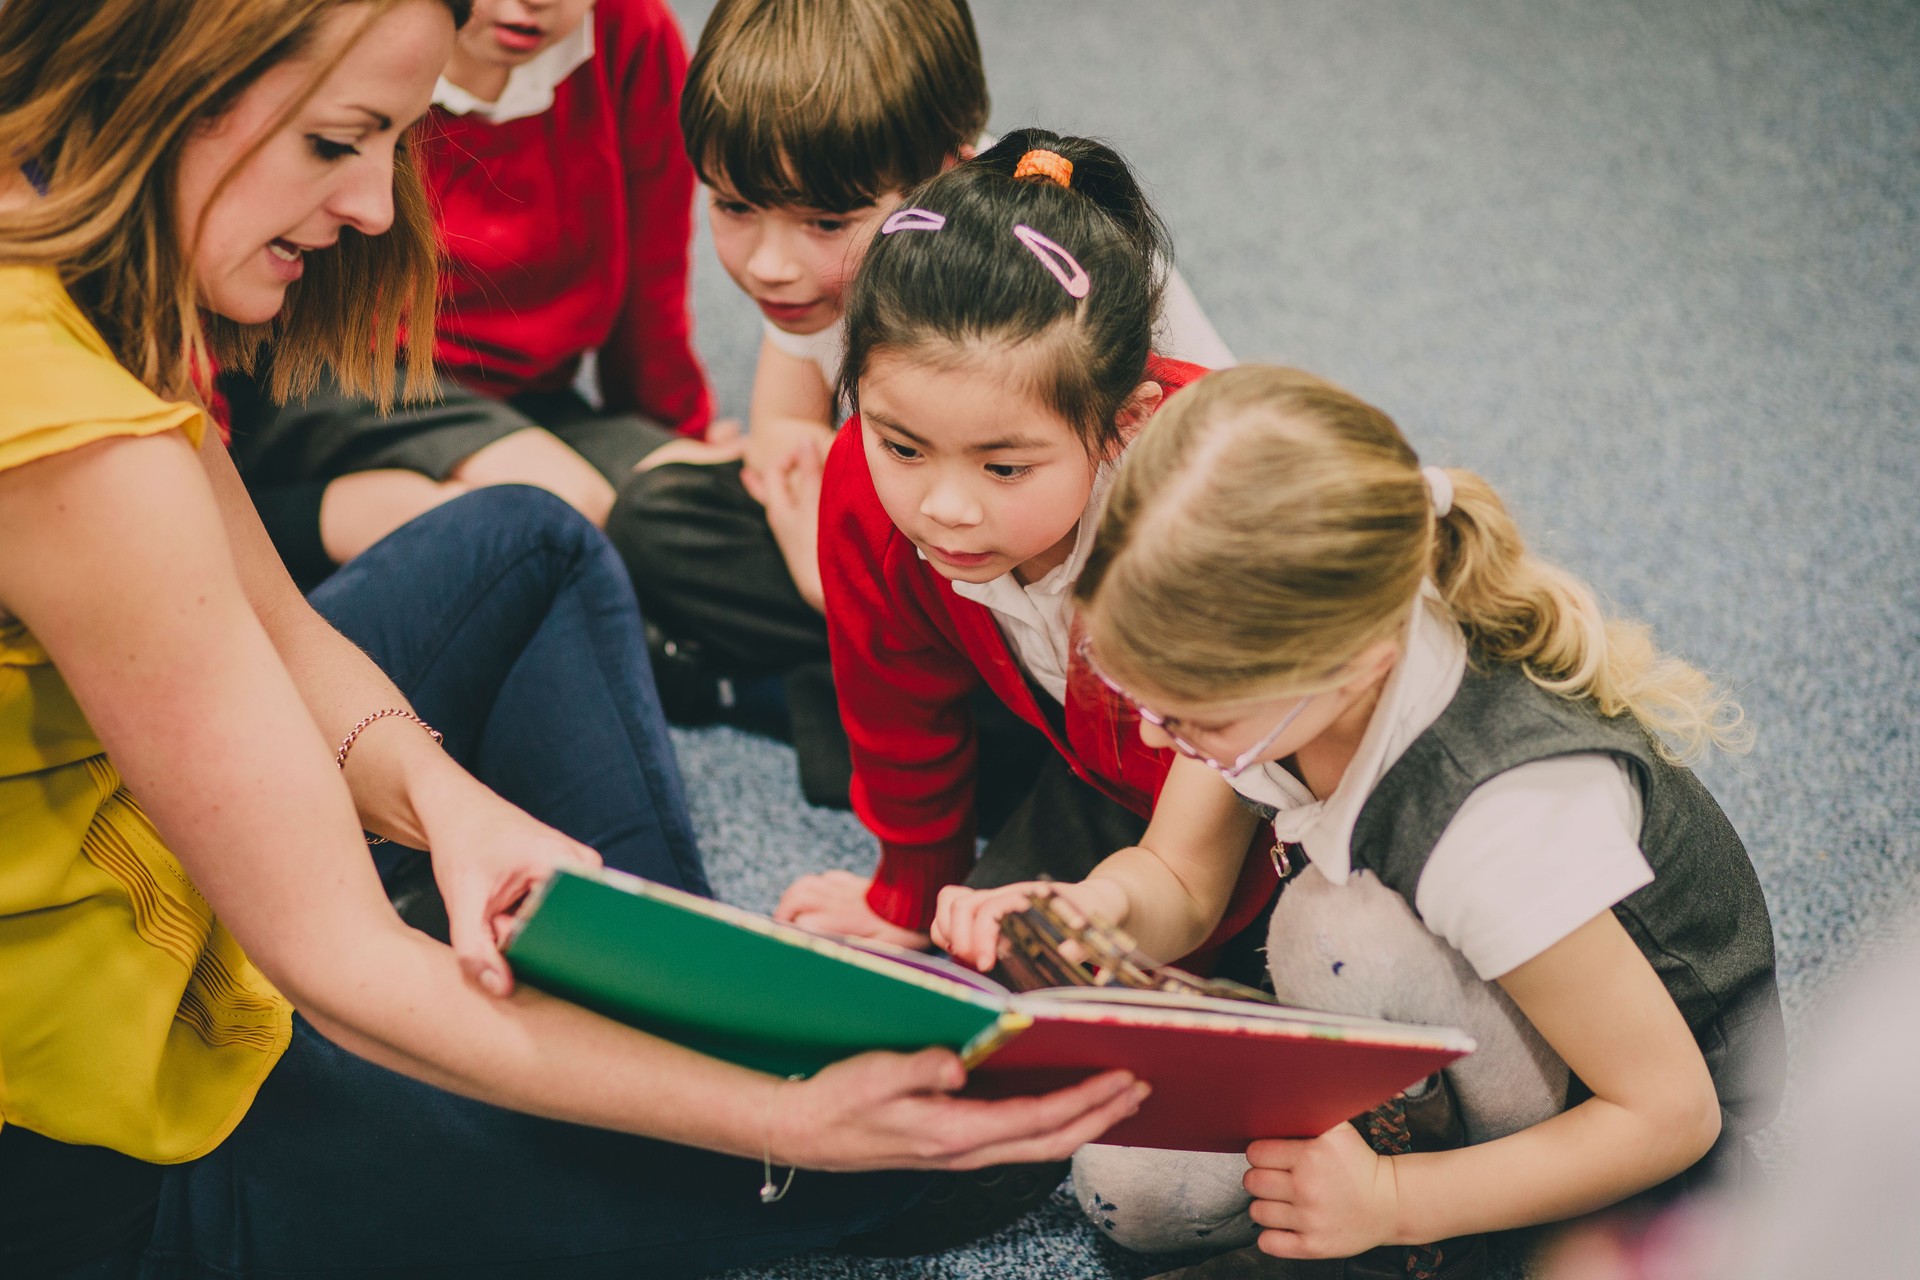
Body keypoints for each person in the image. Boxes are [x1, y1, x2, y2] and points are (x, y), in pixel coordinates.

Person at [0, 4, 1148, 1276]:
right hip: (138, 1142)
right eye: (342, 140)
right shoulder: (76, 449)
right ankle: (701, 1077)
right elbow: (334, 963)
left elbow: (278, 630)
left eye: (396, 138)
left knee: (534, 541)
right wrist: (775, 1117)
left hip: (194, 874)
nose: (379, 205)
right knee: (987, 1133)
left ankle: (686, 1004)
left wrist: (443, 800)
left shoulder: (65, 272)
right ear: (177, 83)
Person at [932, 366, 1787, 1278]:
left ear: (1349, 666)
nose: (1151, 728)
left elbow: (1670, 1116)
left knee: (1337, 931)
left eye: (1188, 711)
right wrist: (1089, 910)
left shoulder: (1500, 815)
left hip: (1628, 1131)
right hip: (1448, 1027)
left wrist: (1392, 1204)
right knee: (1129, 1186)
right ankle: (1415, 1197)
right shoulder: (1274, 670)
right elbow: (1179, 878)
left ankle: (1476, 1235)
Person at [609, 0, 1235, 787]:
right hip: (948, 545)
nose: (770, 264)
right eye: (735, 206)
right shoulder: (822, 280)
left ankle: (868, 717)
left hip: (1092, 591)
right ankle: (897, 707)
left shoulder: (1065, 287)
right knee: (656, 518)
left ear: (943, 179)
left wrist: (839, 574)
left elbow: (1208, 543)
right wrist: (819, 546)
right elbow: (784, 432)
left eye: (824, 221)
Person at [786, 130, 1279, 984]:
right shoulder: (864, 489)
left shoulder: (1214, 510)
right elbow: (893, 701)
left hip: (1280, 800)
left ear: (1128, 422)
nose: (942, 507)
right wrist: (908, 894)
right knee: (974, 970)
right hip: (1103, 771)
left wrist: (1121, 930)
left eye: (1003, 466)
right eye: (901, 445)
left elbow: (1191, 875)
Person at [226, 0, 730, 589]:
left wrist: (678, 432)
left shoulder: (633, 35)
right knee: (565, 510)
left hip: (530, 396)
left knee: (709, 499)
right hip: (347, 374)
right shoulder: (375, 34)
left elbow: (656, 273)